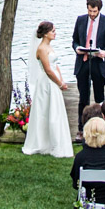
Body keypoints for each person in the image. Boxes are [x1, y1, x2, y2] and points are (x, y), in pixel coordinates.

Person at [23, 20, 73, 158]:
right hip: (47, 82)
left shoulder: (49, 47)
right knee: (46, 111)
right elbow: (48, 70)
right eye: (53, 31)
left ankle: (55, 141)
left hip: (54, 81)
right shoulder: (41, 49)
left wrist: (61, 79)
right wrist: (59, 83)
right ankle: (45, 142)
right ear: (45, 34)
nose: (55, 33)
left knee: (55, 110)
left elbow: (55, 65)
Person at [70, 0, 105, 125]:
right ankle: (81, 126)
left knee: (99, 96)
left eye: (94, 11)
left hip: (99, 63)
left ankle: (100, 124)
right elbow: (74, 40)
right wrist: (77, 48)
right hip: (83, 61)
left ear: (99, 10)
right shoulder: (80, 20)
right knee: (83, 97)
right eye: (90, 11)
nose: (92, 14)